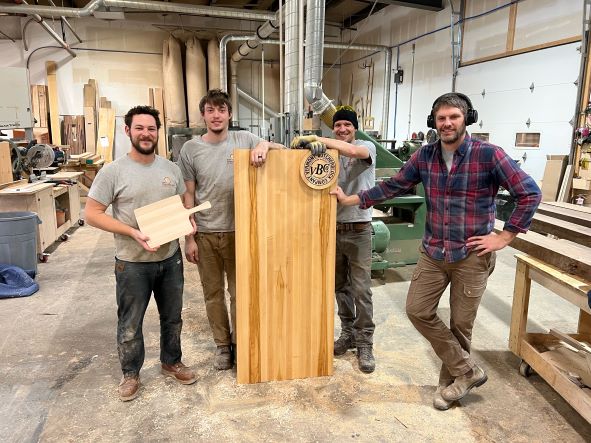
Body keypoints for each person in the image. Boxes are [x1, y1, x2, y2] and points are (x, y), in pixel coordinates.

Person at [331, 92, 542, 409]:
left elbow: (529, 193)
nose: (447, 123)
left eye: (454, 117)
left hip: (472, 254)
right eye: (441, 118)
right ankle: (468, 371)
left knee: (460, 324)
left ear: (466, 119)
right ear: (434, 122)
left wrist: (505, 236)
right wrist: (353, 200)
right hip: (433, 251)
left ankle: (453, 385)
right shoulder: (424, 156)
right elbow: (394, 185)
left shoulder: (489, 155)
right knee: (417, 310)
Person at [86, 105, 197, 402]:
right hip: (132, 263)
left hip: (170, 259)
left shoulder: (170, 170)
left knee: (172, 317)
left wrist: (187, 226)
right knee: (130, 322)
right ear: (127, 131)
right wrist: (132, 231)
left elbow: (181, 206)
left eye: (151, 128)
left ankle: (171, 361)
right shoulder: (113, 172)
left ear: (157, 132)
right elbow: (92, 214)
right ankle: (131, 373)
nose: (146, 134)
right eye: (139, 128)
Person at [178, 89, 285, 371]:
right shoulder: (190, 149)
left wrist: (264, 145)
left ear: (229, 114)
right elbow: (187, 196)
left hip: (241, 233)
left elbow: (283, 151)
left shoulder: (244, 139)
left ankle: (241, 342)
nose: (216, 115)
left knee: (240, 293)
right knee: (213, 294)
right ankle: (222, 346)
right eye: (210, 110)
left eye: (221, 110)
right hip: (206, 233)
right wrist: (189, 238)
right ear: (203, 115)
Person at [291, 106, 377, 373]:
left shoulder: (366, 147)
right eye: (337, 125)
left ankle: (365, 342)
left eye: (347, 125)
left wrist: (317, 139)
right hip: (331, 228)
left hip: (359, 228)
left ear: (355, 128)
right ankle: (348, 332)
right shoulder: (327, 153)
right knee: (340, 287)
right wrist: (303, 151)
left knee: (361, 288)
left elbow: (352, 151)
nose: (342, 129)